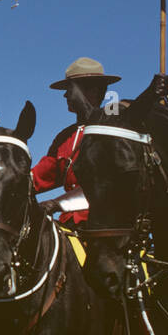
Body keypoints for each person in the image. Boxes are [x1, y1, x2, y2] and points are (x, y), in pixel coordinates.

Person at [32, 58, 122, 228]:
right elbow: (39, 177)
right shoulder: (65, 137)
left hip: (109, 225)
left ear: (94, 90)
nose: (66, 95)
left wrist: (57, 204)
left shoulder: (116, 129)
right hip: (71, 225)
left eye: (71, 89)